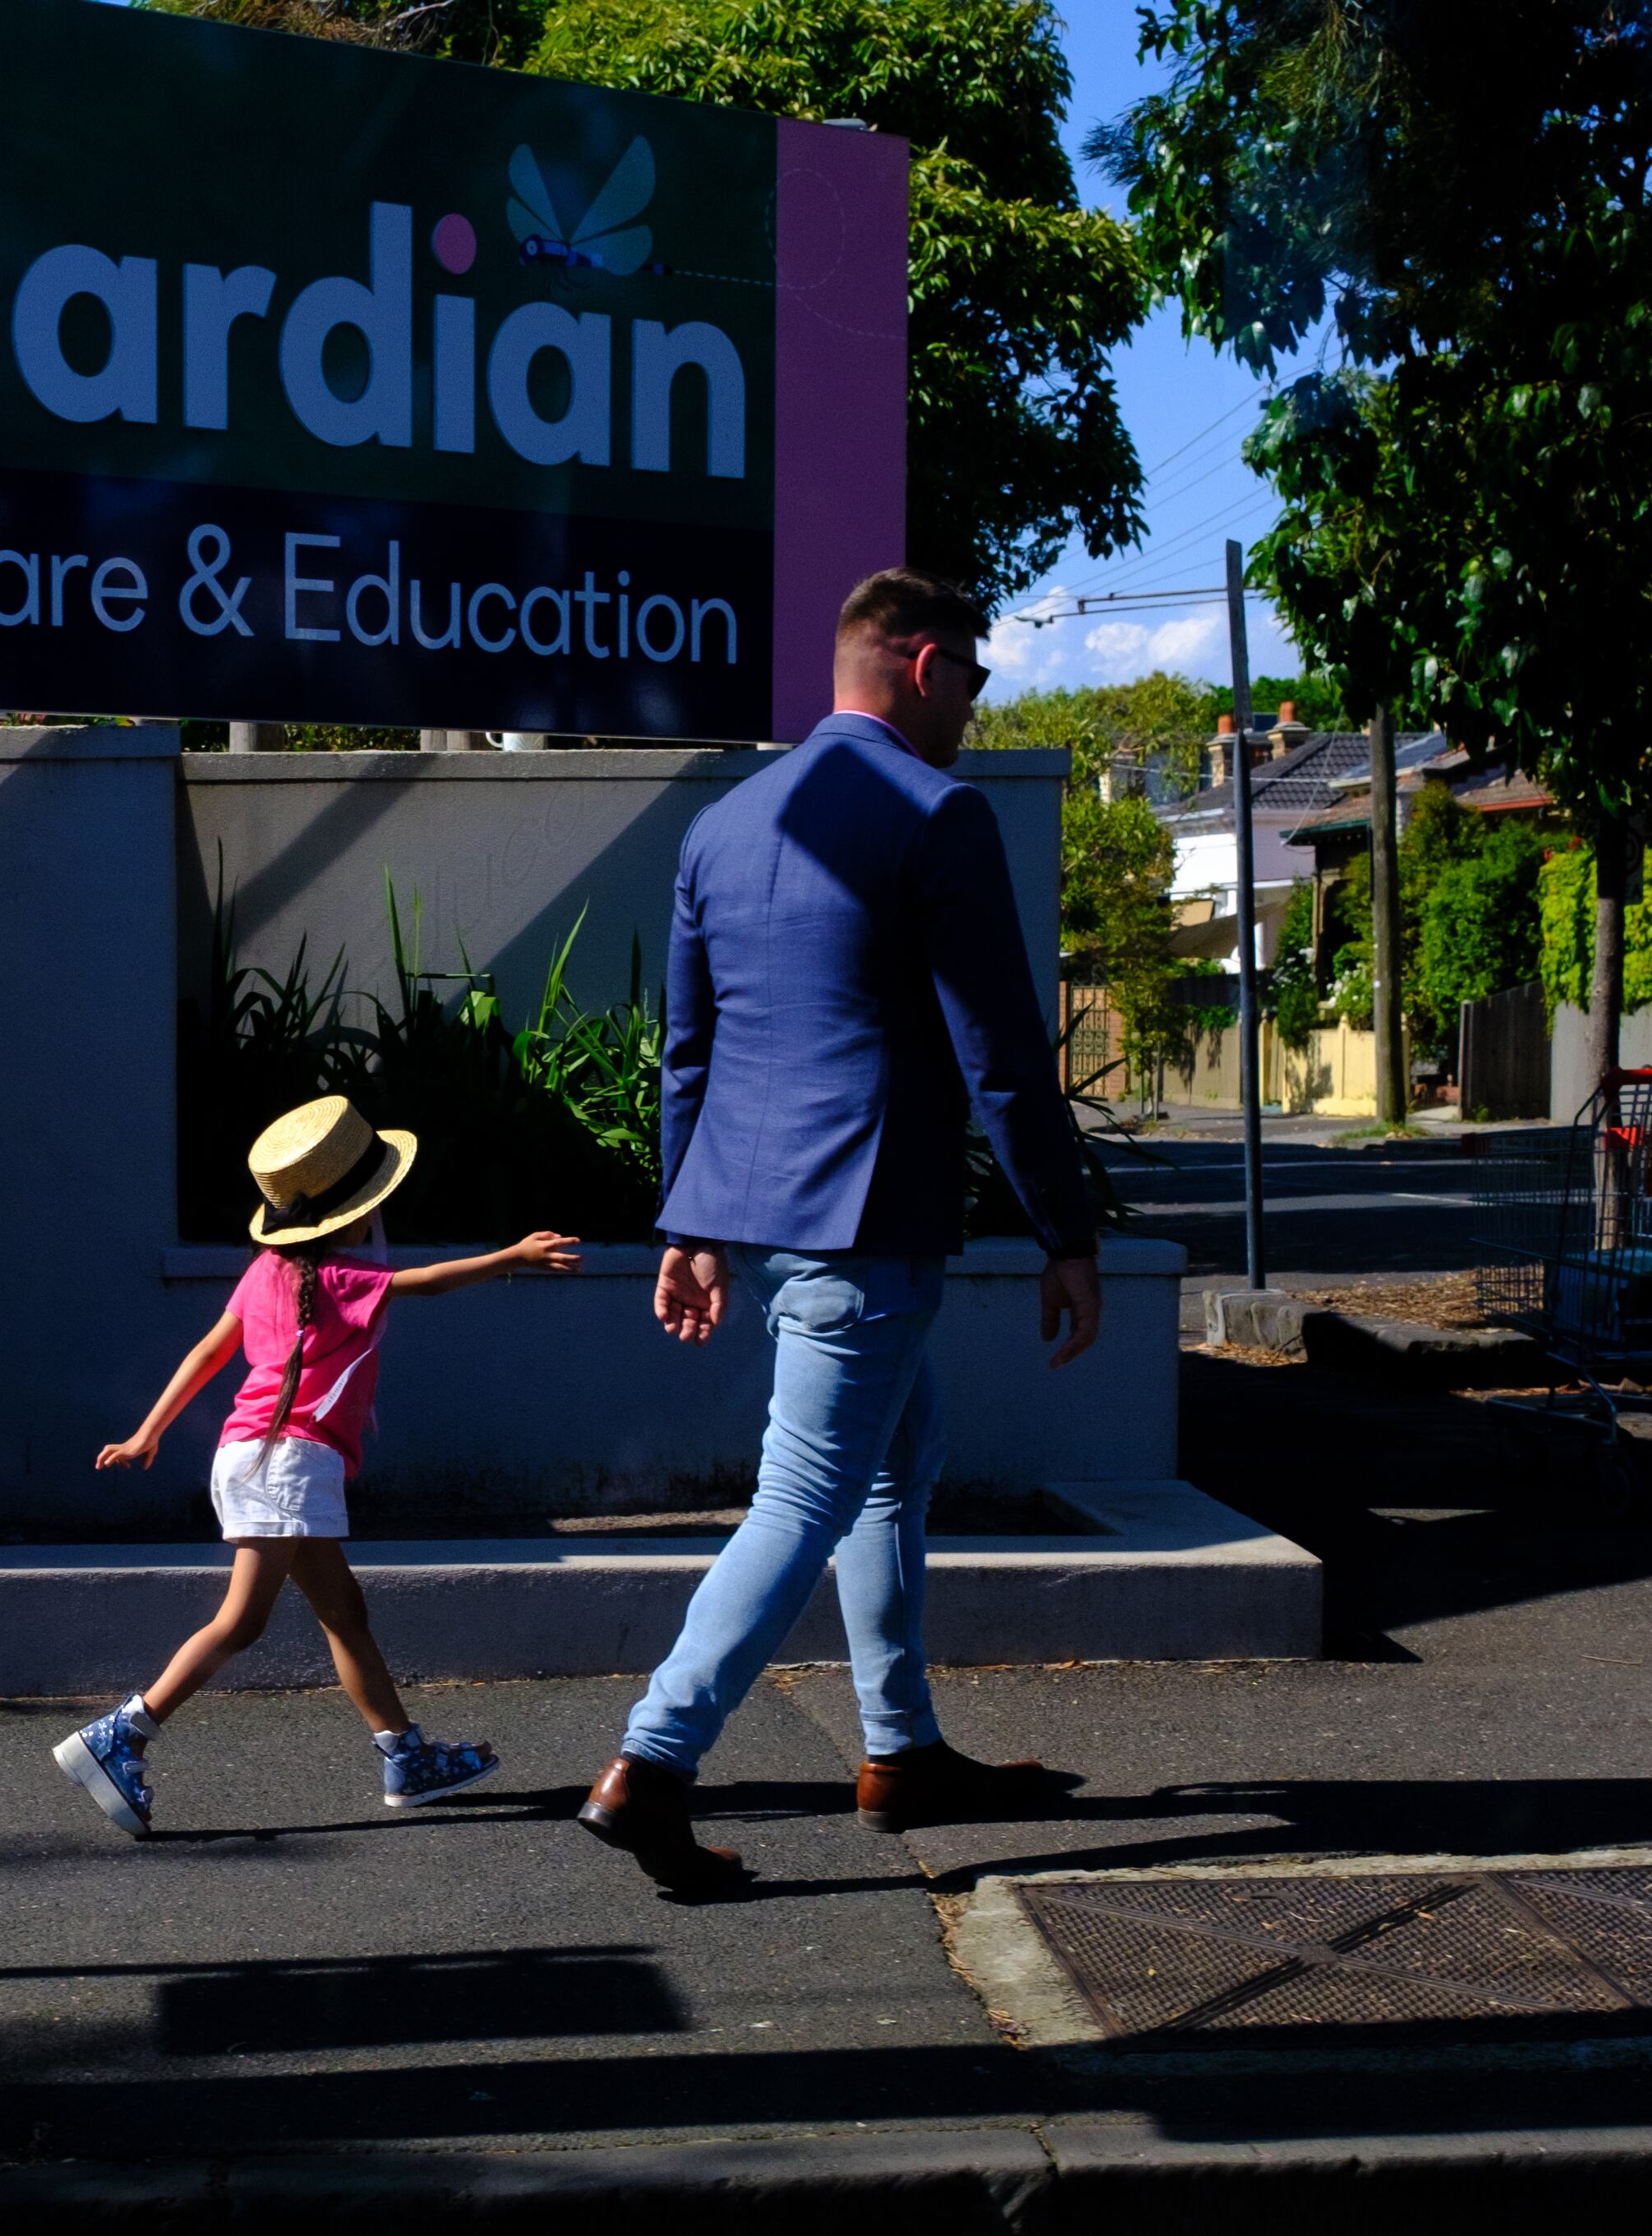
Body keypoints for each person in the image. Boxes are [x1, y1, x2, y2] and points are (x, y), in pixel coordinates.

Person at [577, 568, 1102, 1896]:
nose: (976, 708)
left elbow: (689, 1051)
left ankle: (901, 1748)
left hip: (770, 1214)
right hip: (869, 1218)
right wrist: (1067, 1228)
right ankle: (653, 1757)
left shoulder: (726, 823)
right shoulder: (938, 813)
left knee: (895, 1449)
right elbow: (1000, 1048)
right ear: (923, 665)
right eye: (973, 680)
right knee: (807, 1492)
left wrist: (689, 1221)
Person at [53, 1094, 581, 1839]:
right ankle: (121, 1736)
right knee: (241, 1623)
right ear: (355, 1215)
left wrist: (149, 1432)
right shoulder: (341, 1280)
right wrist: (511, 1258)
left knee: (344, 1614)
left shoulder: (270, 1272)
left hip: (256, 1455)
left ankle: (405, 1756)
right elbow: (424, 1282)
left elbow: (209, 1353)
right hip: (287, 1461)